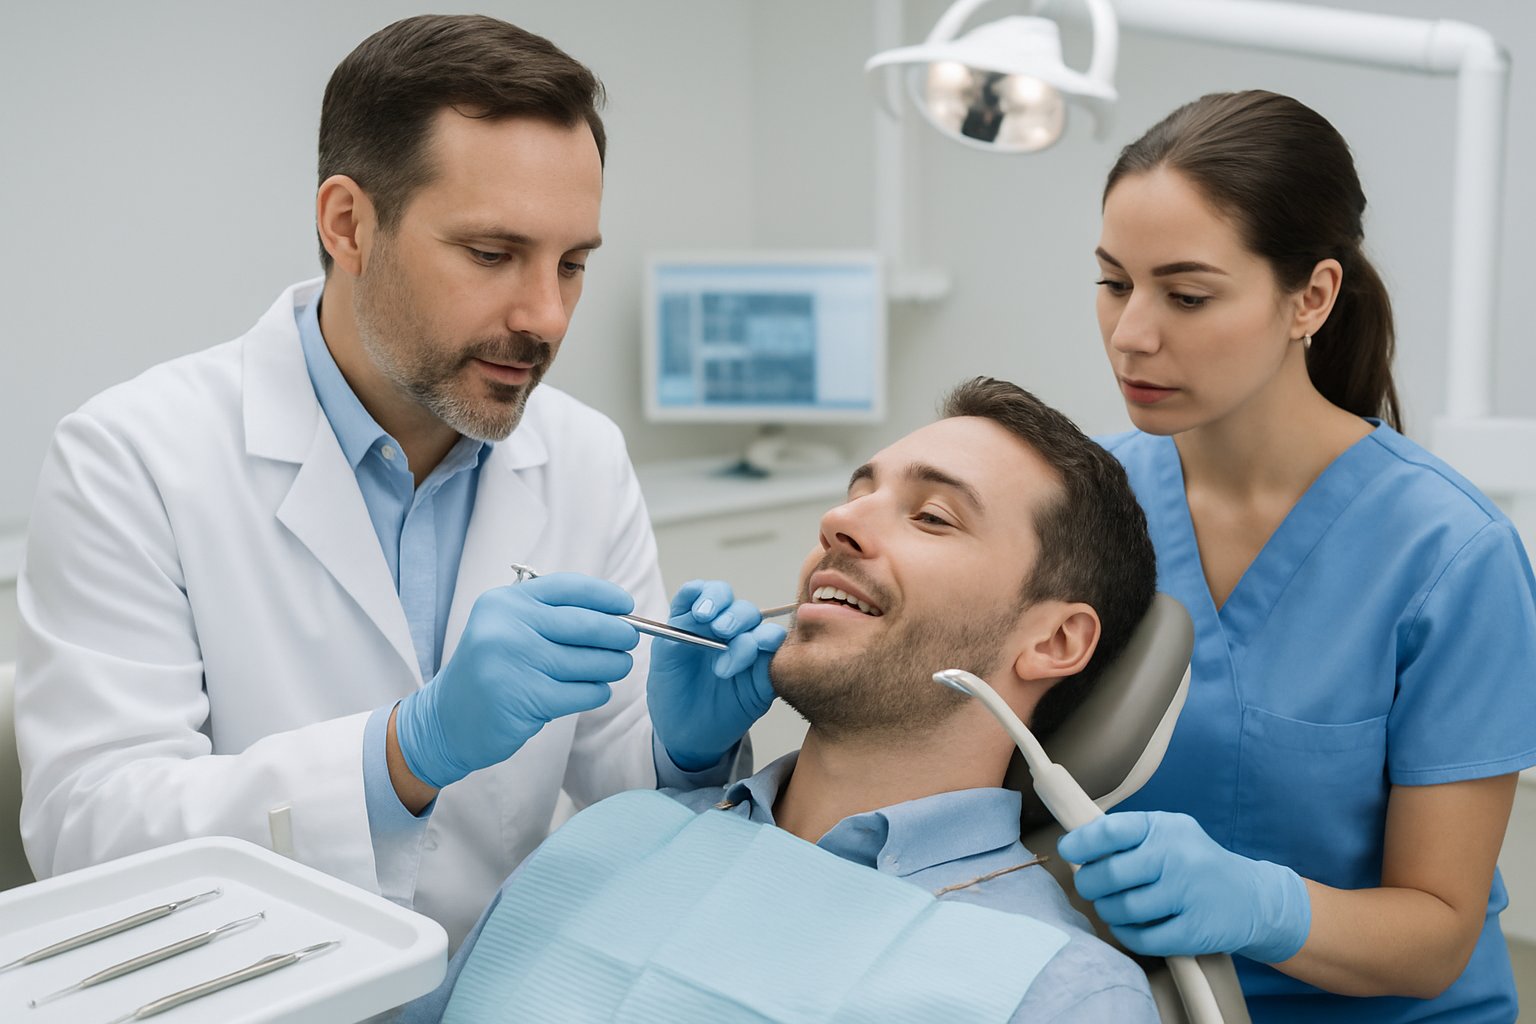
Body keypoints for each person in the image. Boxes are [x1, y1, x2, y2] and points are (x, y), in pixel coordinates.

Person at [14, 14, 778, 948]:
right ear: (348, 224)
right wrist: (403, 754)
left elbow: (610, 772)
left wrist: (679, 746)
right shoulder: (131, 456)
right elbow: (86, 834)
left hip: (495, 992)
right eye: (493, 256)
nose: (545, 316)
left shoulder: (582, 455)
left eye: (573, 264)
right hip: (253, 993)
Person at [395, 377, 1162, 1023]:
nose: (839, 521)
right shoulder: (616, 834)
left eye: (932, 516)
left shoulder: (1062, 990)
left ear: (1056, 642)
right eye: (855, 495)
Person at [1057, 89, 1536, 1022]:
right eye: (1114, 282)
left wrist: (1265, 908)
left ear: (1309, 297)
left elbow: (1438, 935)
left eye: (1187, 295)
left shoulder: (1450, 553)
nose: (1132, 334)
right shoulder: (1082, 504)